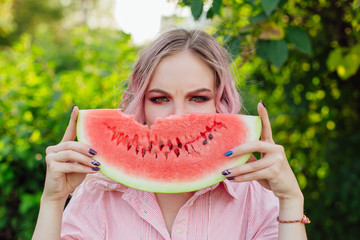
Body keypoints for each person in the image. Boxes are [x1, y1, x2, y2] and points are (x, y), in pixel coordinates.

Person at [32, 29, 308, 239]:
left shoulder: (252, 194)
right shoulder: (98, 191)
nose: (178, 116)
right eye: (160, 99)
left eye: (198, 98)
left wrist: (291, 201)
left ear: (218, 103)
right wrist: (53, 201)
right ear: (141, 102)